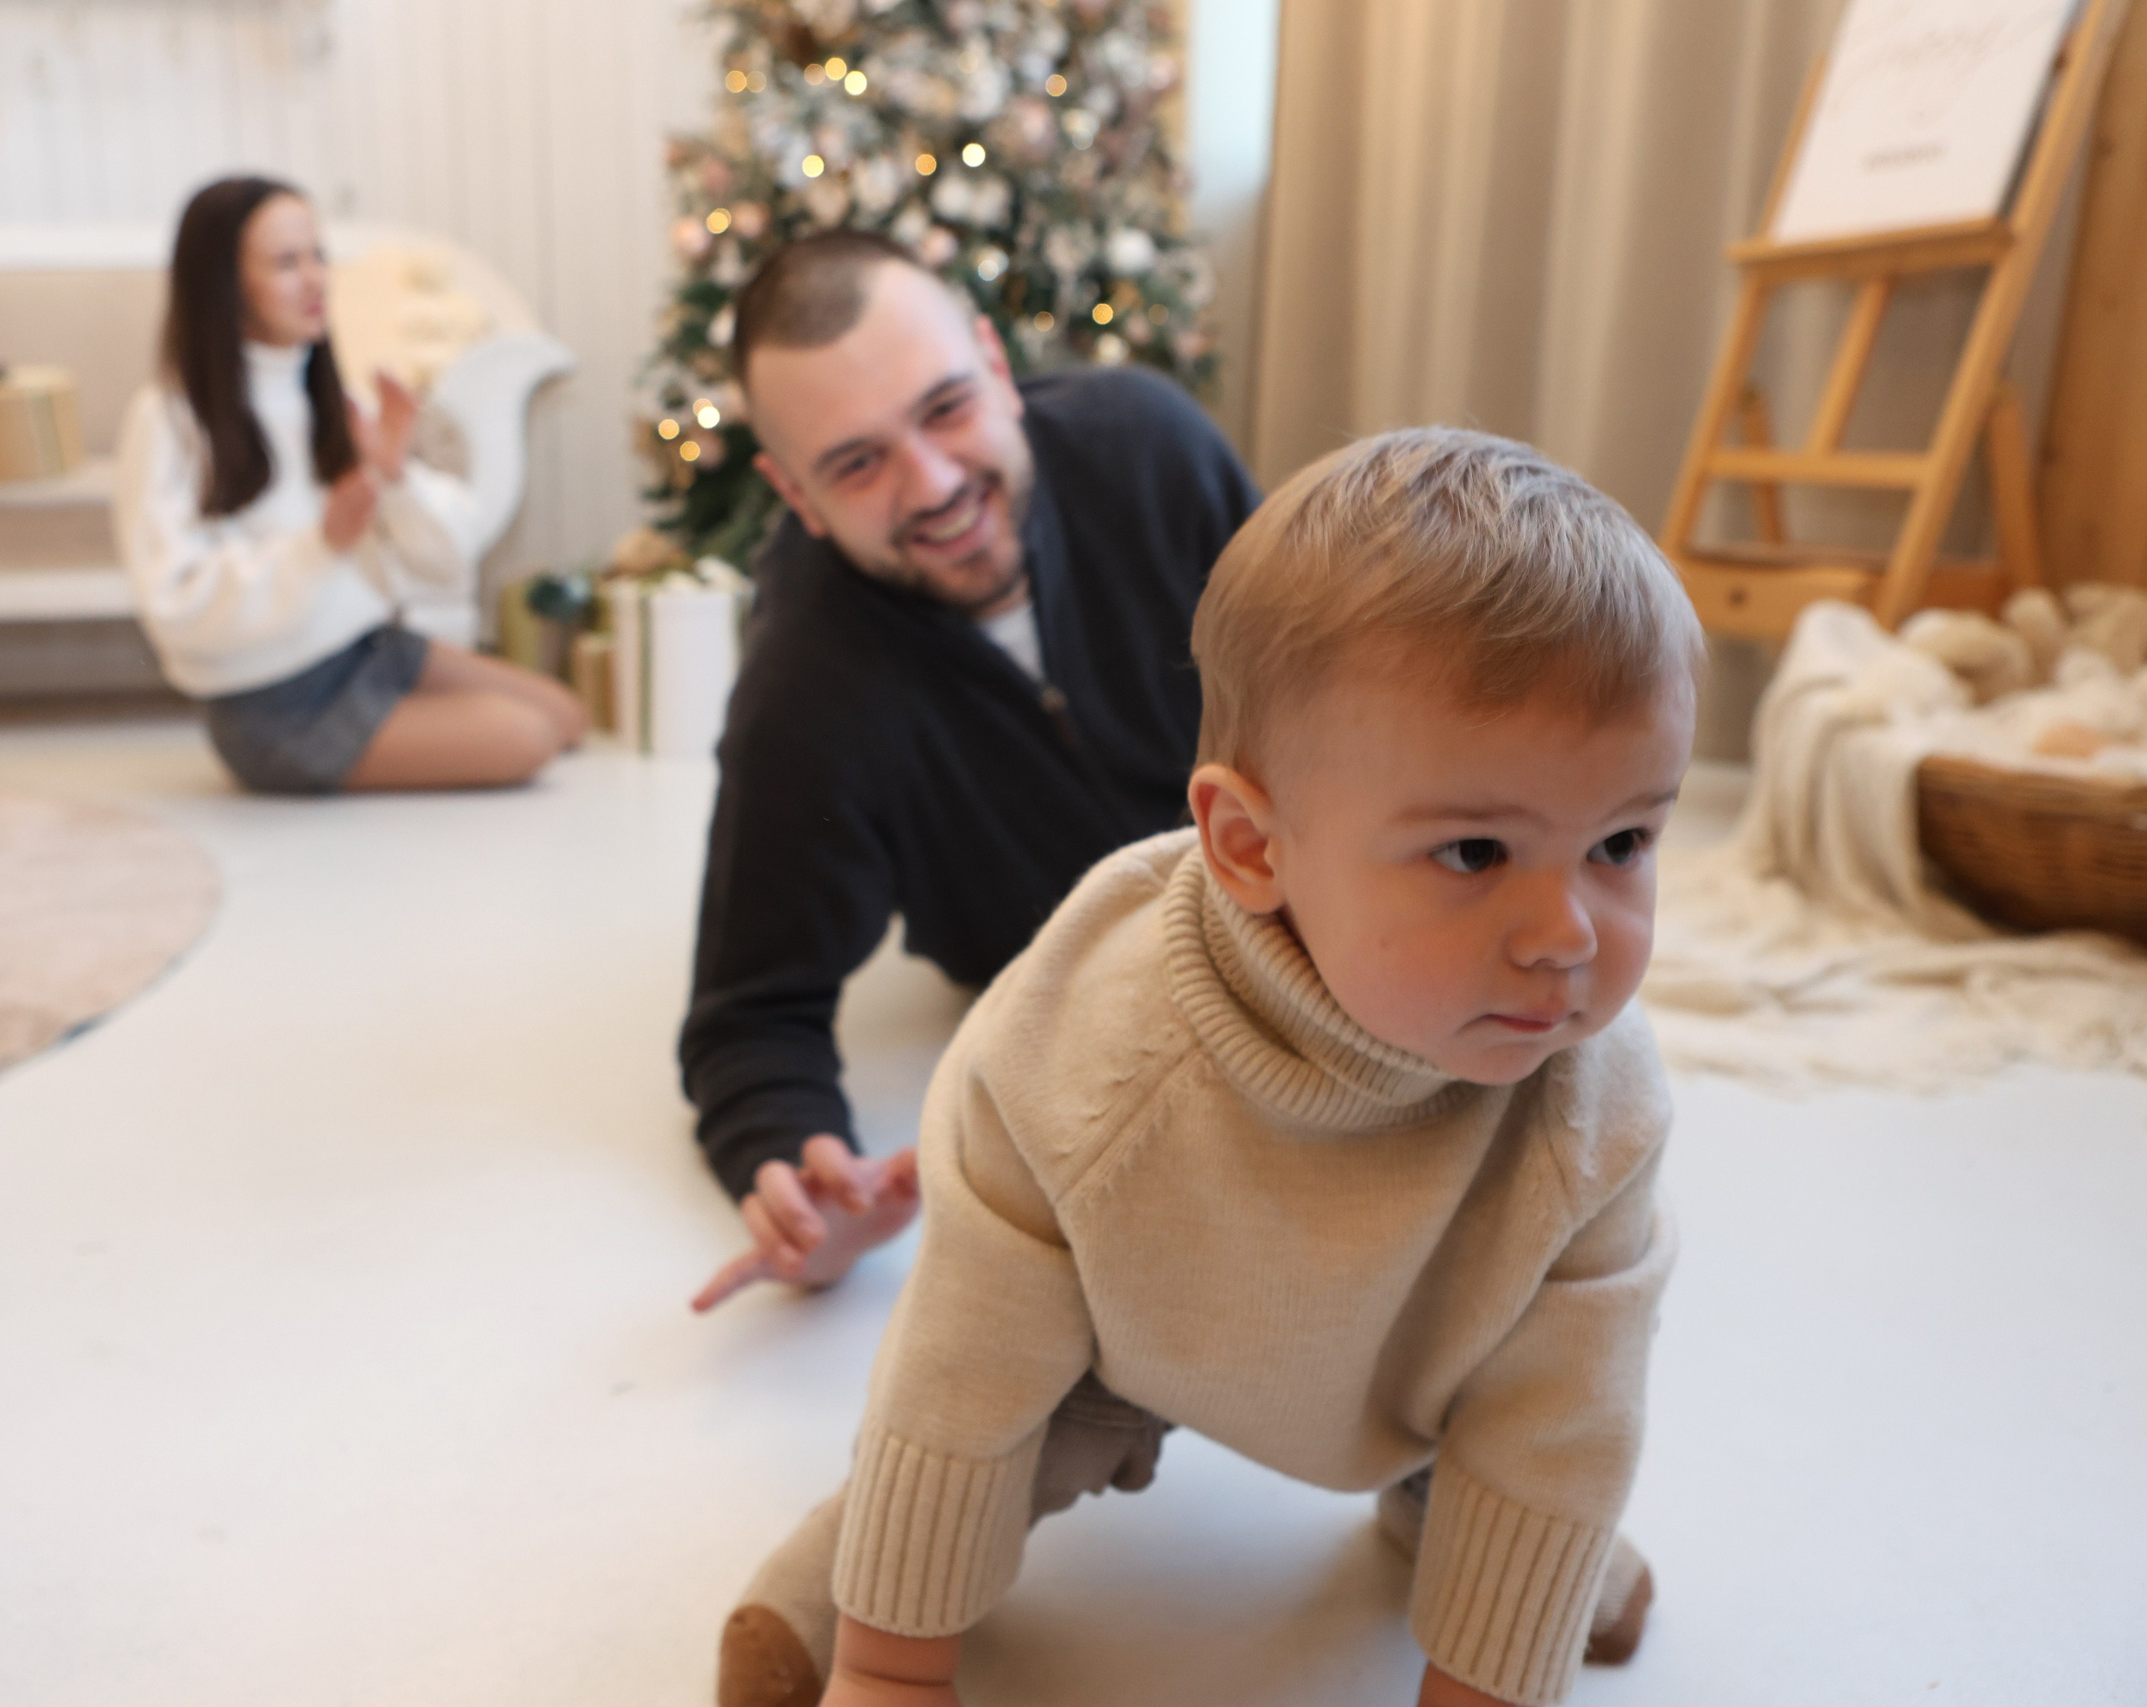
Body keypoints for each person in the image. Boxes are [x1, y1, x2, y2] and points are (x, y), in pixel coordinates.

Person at [716, 428, 1700, 1707]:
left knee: (1533, 1464)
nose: (1565, 937)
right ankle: (835, 1582)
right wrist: (889, 1671)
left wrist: (1499, 1648)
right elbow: (961, 1372)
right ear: (1249, 847)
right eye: (1473, 854)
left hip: (1420, 1379)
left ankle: (1470, 1534)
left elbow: (1560, 1414)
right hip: (1111, 1345)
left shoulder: (1598, 1109)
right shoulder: (1085, 1053)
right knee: (991, 1440)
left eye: (1621, 842)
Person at [683, 232, 1261, 1311]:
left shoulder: (1156, 450)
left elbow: (1338, 701)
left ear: (997, 367)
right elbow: (750, 1016)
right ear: (794, 494)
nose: (936, 484)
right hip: (1085, 1057)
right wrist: (802, 1175)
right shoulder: (803, 689)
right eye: (857, 464)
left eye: (946, 408)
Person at [114, 175, 584, 794]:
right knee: (529, 737)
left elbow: (445, 558)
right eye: (287, 263)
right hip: (279, 706)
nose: (316, 280)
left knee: (566, 717)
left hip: (366, 649)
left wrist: (395, 480)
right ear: (224, 284)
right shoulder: (170, 420)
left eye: (318, 256)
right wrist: (321, 545)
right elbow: (175, 605)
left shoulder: (333, 399)